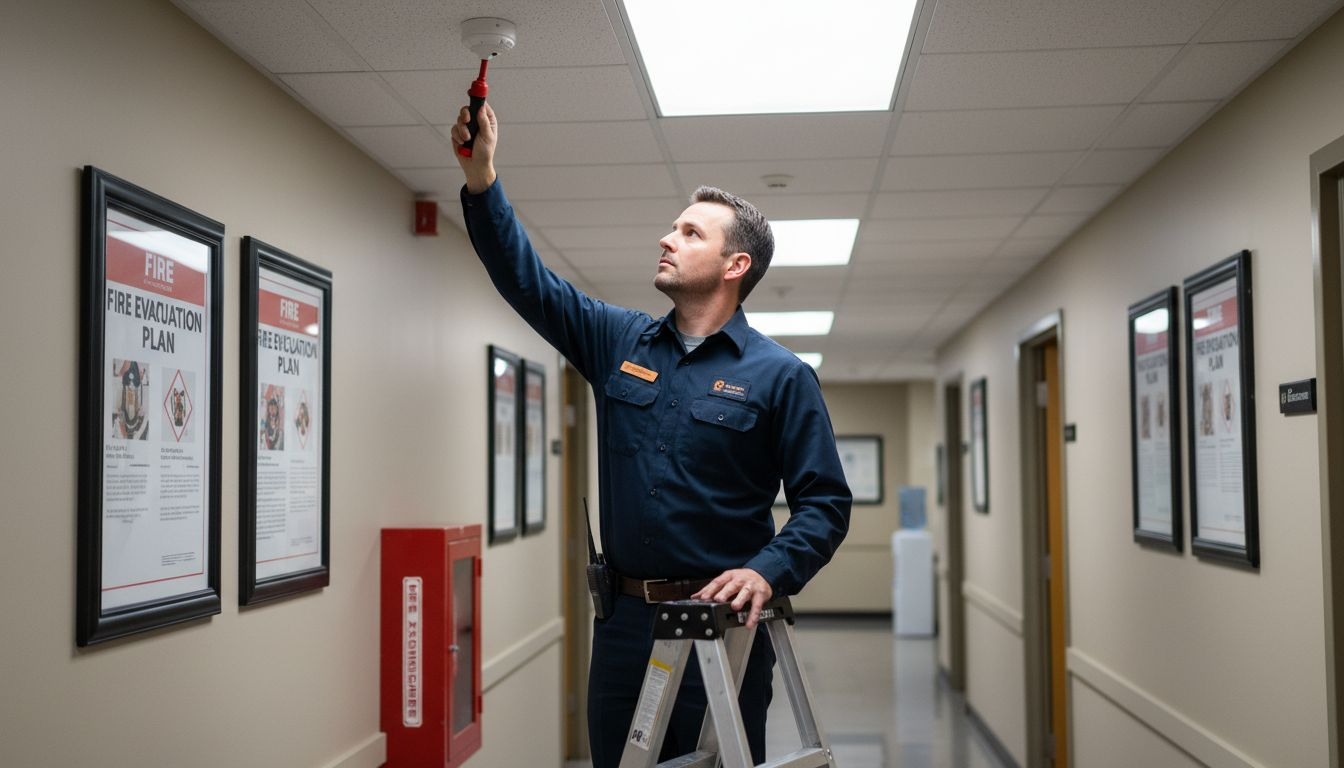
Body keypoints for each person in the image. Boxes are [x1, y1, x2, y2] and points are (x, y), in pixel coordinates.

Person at [453, 101, 851, 766]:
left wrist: (767, 570)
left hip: (721, 630)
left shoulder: (780, 377)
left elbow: (826, 505)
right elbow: (528, 282)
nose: (668, 239)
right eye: (672, 229)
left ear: (735, 266)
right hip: (624, 626)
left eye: (691, 233)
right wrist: (481, 178)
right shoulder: (619, 340)